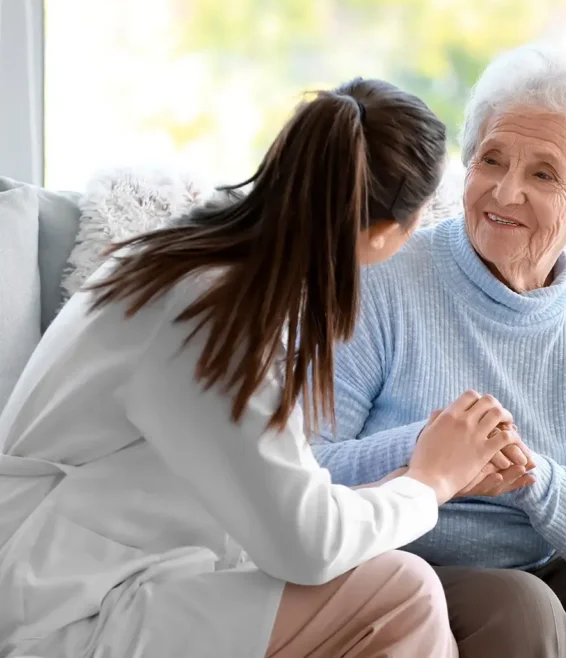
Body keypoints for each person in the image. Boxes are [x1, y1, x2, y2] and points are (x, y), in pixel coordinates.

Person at [0, 77, 524, 658]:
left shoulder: (202, 261)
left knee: (403, 596)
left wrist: (419, 476)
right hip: (63, 605)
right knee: (403, 594)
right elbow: (306, 546)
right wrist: (430, 483)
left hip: (100, 572)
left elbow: (283, 504)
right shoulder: (211, 313)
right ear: (382, 235)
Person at [312, 46, 566, 658]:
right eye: (491, 160)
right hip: (398, 572)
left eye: (543, 174)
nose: (505, 192)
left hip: (538, 573)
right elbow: (306, 469)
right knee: (519, 607)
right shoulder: (382, 279)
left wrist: (530, 476)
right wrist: (435, 448)